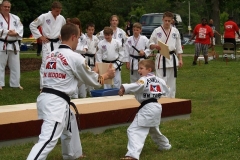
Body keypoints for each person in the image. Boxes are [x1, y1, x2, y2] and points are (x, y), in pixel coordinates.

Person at [27, 23, 115, 160]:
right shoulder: (75, 57)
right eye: (79, 38)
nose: (78, 41)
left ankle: (72, 155)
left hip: (49, 97)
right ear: (73, 37)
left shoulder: (52, 54)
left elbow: (70, 79)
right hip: (55, 103)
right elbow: (94, 82)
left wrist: (92, 73)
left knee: (70, 125)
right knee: (47, 140)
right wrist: (106, 76)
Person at [119, 59, 171, 160]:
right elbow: (167, 89)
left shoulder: (144, 79)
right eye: (139, 68)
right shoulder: (160, 80)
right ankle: (165, 146)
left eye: (141, 68)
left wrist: (123, 88)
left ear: (149, 69)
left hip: (148, 108)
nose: (139, 70)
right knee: (153, 129)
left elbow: (137, 85)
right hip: (156, 107)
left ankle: (132, 155)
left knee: (134, 130)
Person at [29, 1, 66, 90]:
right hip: (47, 43)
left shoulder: (61, 18)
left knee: (57, 63)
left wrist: (62, 35)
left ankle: (55, 84)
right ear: (52, 9)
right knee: (45, 63)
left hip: (57, 43)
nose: (58, 13)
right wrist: (40, 36)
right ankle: (43, 85)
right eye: (57, 11)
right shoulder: (44, 16)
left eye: (60, 11)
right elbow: (32, 25)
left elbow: (64, 28)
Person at [149, 11, 183, 98]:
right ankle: (162, 100)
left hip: (172, 58)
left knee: (172, 82)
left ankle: (171, 100)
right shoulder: (157, 31)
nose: (167, 22)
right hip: (161, 58)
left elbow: (178, 46)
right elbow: (150, 43)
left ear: (172, 21)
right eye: (165, 20)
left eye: (169, 21)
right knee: (161, 81)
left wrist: (180, 59)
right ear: (162, 20)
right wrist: (155, 45)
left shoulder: (175, 31)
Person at [0, 0, 23, 90]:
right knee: (0, 65)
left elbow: (20, 28)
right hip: (2, 44)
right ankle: (0, 83)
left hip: (14, 45)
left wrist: (15, 33)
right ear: (1, 7)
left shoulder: (15, 18)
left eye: (8, 7)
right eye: (5, 6)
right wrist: (8, 32)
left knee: (15, 65)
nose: (7, 8)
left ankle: (15, 83)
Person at [69, 17, 88, 99]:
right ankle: (74, 95)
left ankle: (83, 95)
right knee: (74, 78)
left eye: (78, 26)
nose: (76, 27)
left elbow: (85, 46)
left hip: (81, 58)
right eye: (74, 25)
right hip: (72, 59)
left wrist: (85, 49)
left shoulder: (83, 36)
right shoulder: (69, 35)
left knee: (82, 78)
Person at [85, 22, 99, 95]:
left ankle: (91, 90)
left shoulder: (95, 38)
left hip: (93, 57)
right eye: (89, 30)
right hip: (86, 57)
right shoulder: (84, 38)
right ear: (86, 30)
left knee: (92, 73)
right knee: (86, 72)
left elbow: (97, 48)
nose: (91, 31)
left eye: (92, 30)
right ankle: (85, 89)